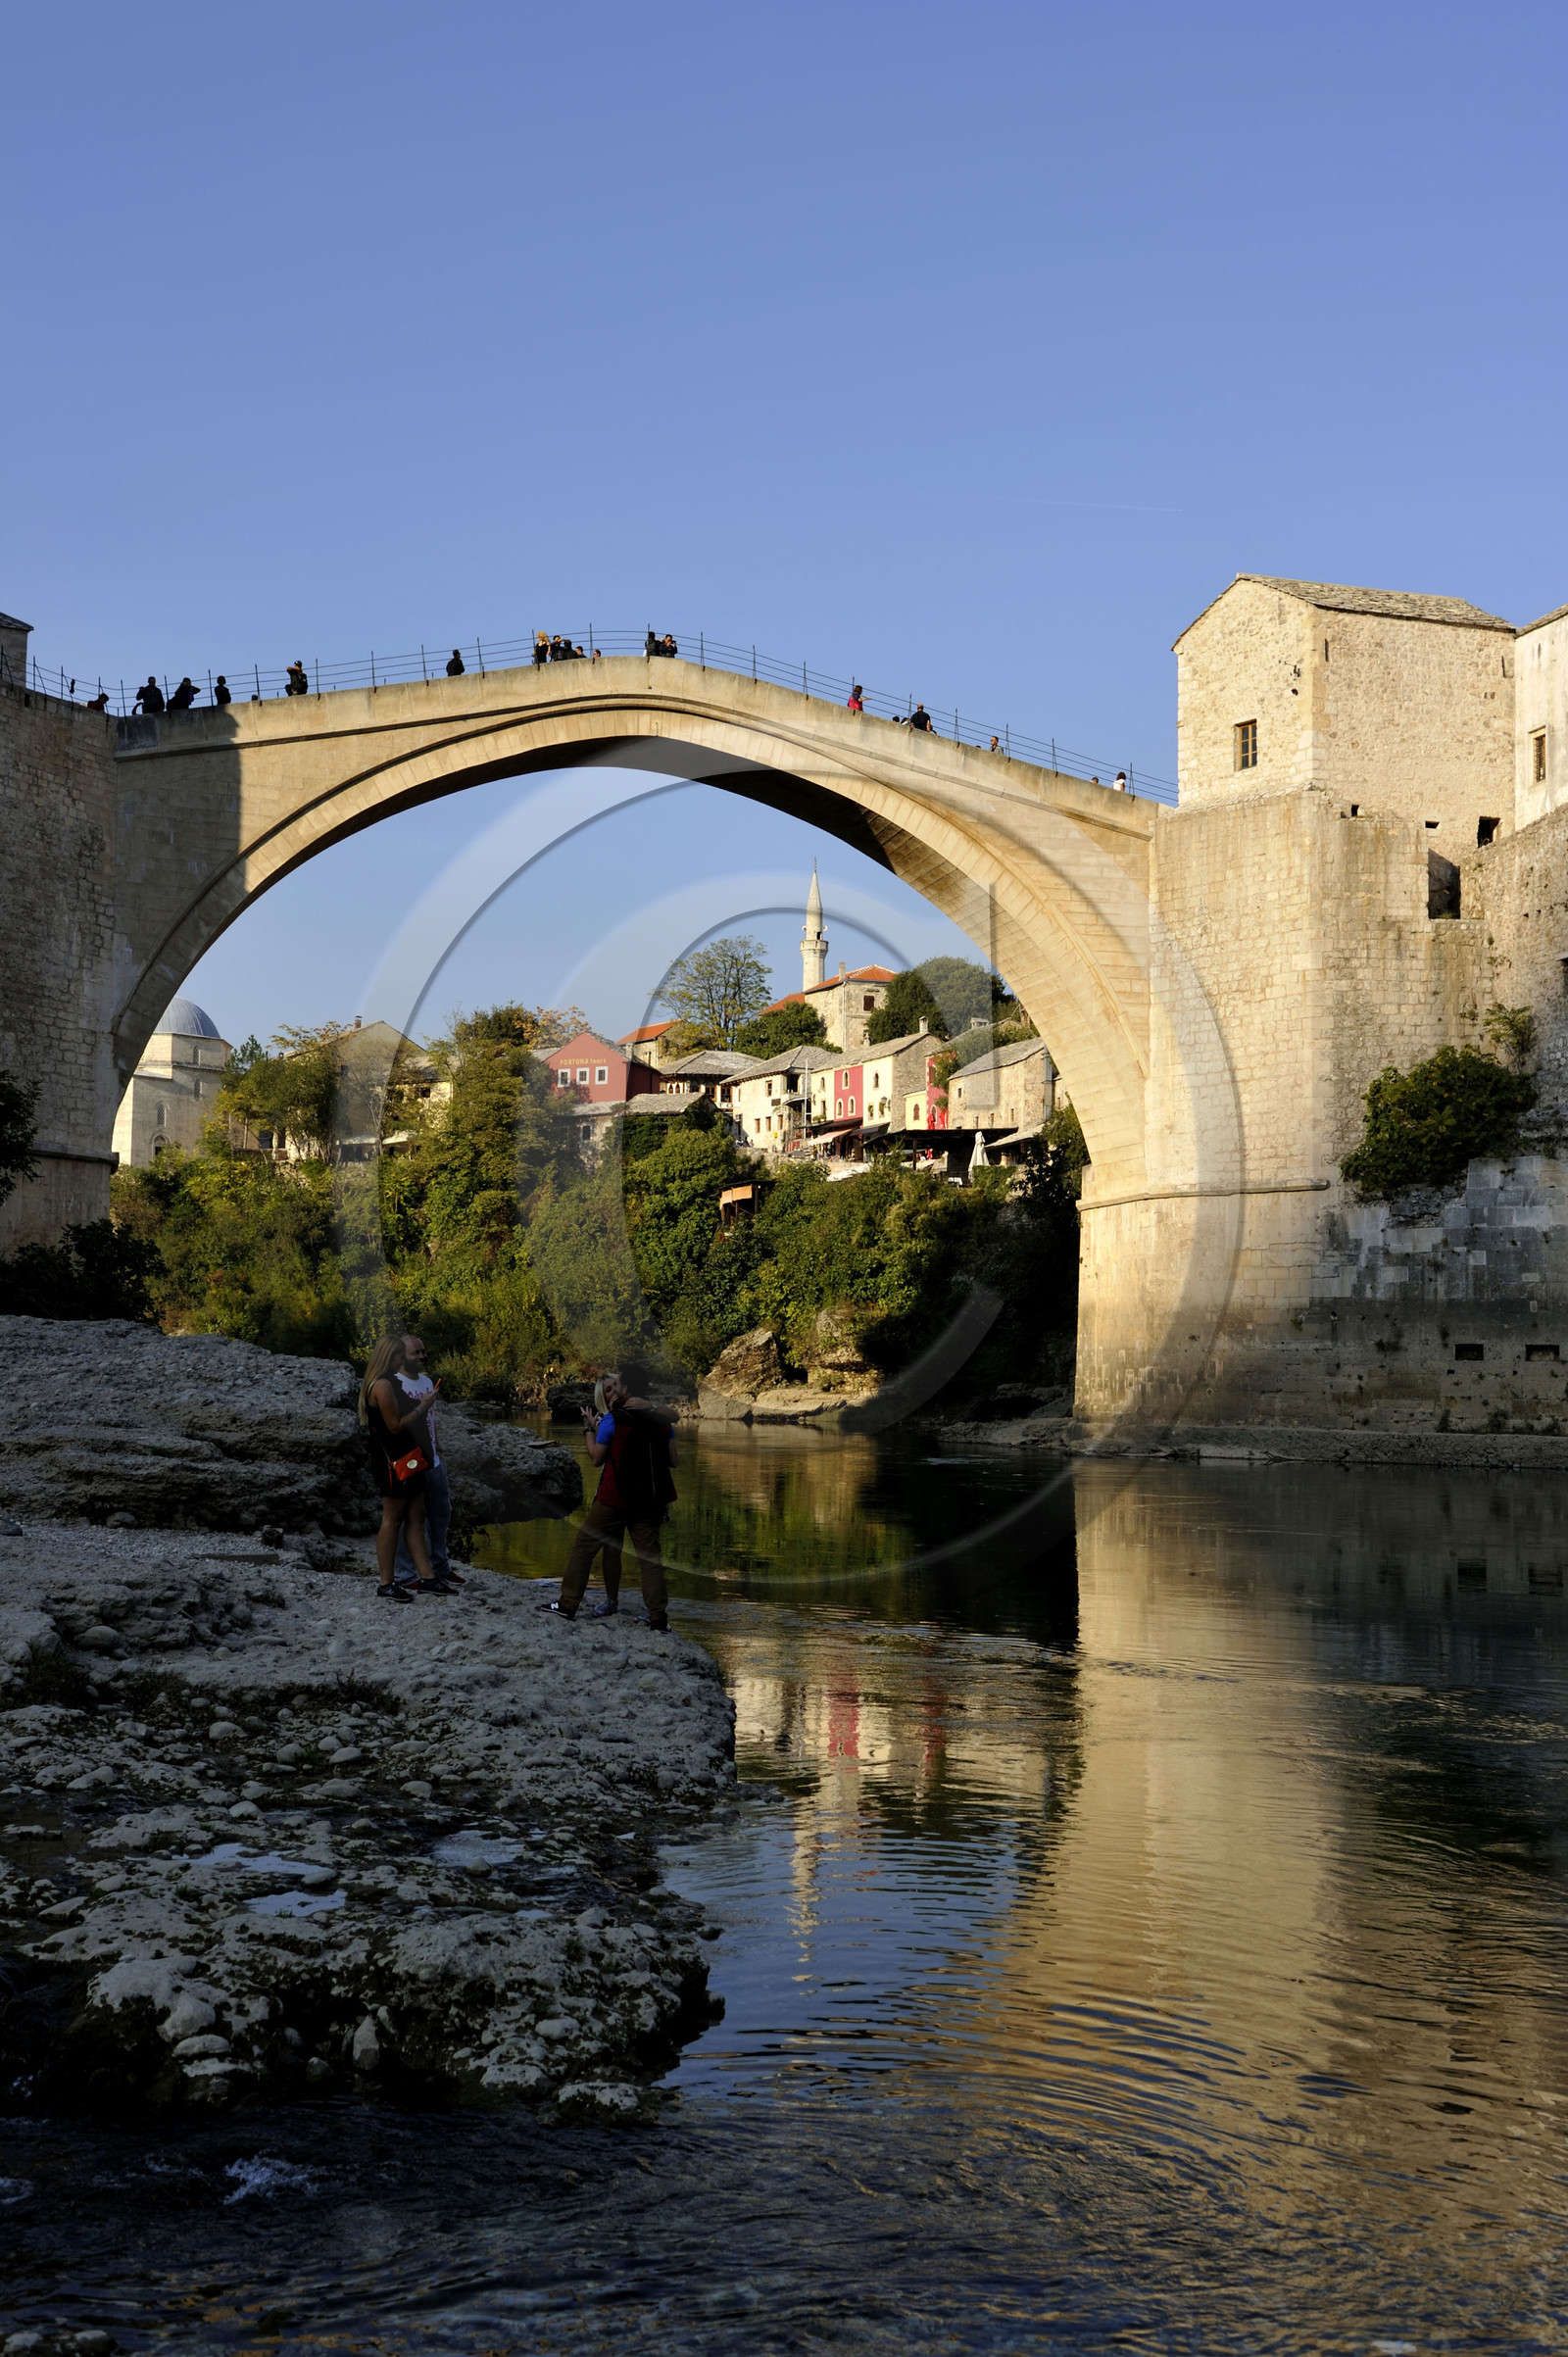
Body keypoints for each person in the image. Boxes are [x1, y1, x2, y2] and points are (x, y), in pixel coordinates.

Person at [544, 1372, 677, 1627]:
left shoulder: (613, 1419)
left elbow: (596, 1459)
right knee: (650, 1559)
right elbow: (674, 1460)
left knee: (584, 1548)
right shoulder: (661, 1421)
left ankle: (567, 1604)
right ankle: (658, 1618)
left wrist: (588, 1429)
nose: (614, 1391)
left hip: (615, 1498)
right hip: (649, 1500)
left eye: (616, 1386)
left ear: (625, 1389)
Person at [358, 1335, 456, 1600]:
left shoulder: (391, 1382)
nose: (402, 1361)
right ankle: (387, 1583)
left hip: (410, 1458)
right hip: (393, 1462)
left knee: (416, 1516)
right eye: (400, 1356)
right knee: (392, 1520)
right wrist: (424, 1406)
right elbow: (395, 1426)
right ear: (389, 1356)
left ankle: (427, 1578)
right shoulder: (381, 1385)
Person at [391, 1333, 461, 1590]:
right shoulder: (392, 1384)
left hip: (433, 1461)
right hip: (408, 1462)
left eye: (423, 1351)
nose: (422, 1356)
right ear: (401, 1357)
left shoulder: (427, 1381)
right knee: (408, 1519)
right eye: (416, 1353)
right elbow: (394, 1425)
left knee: (441, 1513)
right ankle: (405, 1575)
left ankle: (440, 1566)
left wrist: (438, 1449)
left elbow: (431, 1421)